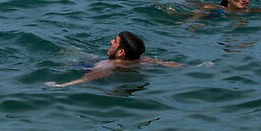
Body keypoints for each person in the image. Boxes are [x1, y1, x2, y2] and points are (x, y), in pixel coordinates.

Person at [49, 31, 182, 86]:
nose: (111, 41)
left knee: (73, 60)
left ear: (120, 53)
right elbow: (169, 64)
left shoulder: (107, 65)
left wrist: (61, 85)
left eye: (115, 42)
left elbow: (88, 78)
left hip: (95, 69)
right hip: (126, 73)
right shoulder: (145, 60)